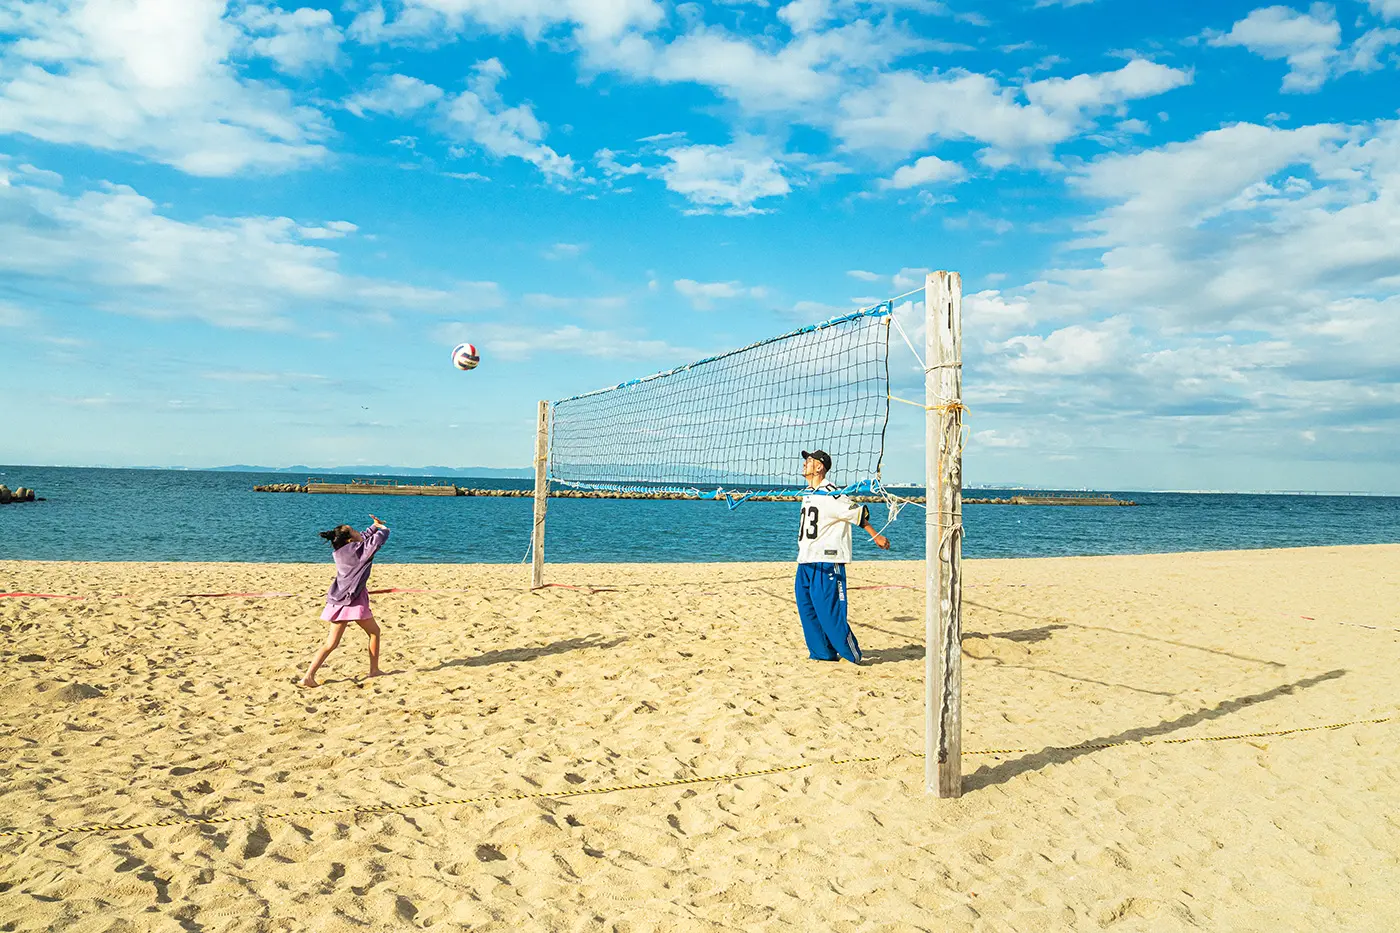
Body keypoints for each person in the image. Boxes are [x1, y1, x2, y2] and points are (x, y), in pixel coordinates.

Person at [795, 450, 890, 664]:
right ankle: (823, 654)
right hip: (805, 560)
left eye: (809, 461)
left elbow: (858, 514)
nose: (804, 464)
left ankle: (852, 654)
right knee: (808, 610)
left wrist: (876, 536)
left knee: (830, 614)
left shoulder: (832, 494)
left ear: (820, 467)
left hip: (827, 562)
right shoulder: (810, 493)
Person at [301, 514, 390, 687]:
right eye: (354, 530)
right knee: (374, 633)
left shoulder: (340, 550)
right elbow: (376, 542)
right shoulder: (358, 551)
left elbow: (363, 539)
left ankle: (308, 676)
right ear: (349, 540)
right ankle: (374, 670)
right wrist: (384, 529)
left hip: (340, 599)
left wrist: (374, 526)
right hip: (353, 600)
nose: (359, 532)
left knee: (331, 644)